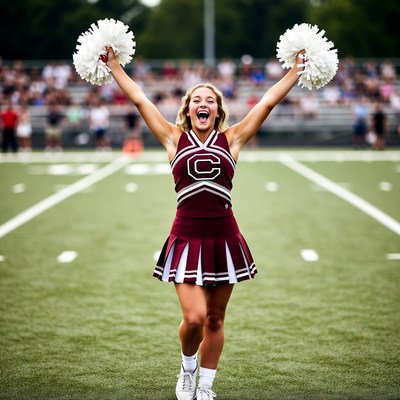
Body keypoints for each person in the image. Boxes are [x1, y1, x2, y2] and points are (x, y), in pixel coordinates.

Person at [106, 47, 304, 400]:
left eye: (209, 101)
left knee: (214, 318)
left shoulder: (233, 138)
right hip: (186, 236)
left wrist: (296, 70)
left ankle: (207, 388)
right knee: (194, 318)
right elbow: (139, 99)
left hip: (225, 236)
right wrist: (115, 67)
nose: (203, 104)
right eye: (196, 100)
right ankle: (187, 368)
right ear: (187, 109)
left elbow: (268, 102)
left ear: (217, 110)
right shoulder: (172, 138)